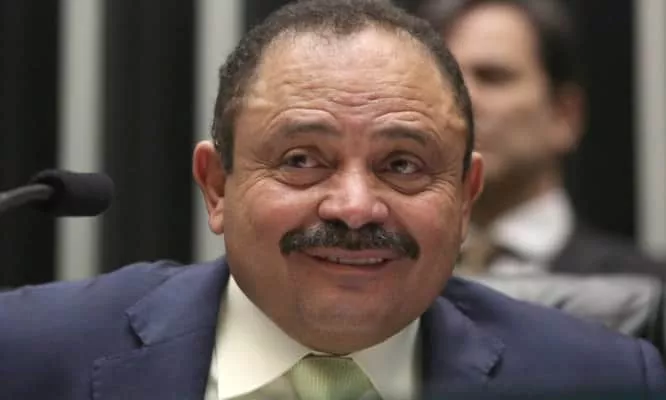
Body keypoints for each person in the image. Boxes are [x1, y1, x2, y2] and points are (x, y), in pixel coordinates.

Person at [0, 1, 664, 399]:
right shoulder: (25, 355)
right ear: (218, 185)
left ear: (465, 199)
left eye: (402, 165)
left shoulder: (604, 381)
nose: (353, 206)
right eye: (301, 161)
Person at [416, 0, 666, 278]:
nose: (460, 102)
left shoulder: (646, 288)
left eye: (493, 77)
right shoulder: (391, 280)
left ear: (564, 114)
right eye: (446, 80)